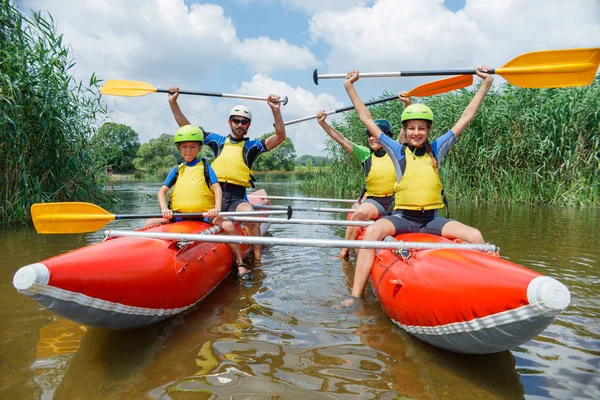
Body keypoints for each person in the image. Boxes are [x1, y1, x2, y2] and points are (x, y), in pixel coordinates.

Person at [341, 67, 494, 305]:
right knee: (371, 233)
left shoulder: (438, 148)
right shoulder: (396, 150)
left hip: (432, 219)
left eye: (421, 128)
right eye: (411, 128)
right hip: (402, 217)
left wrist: (485, 83)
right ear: (405, 130)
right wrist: (350, 86)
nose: (416, 132)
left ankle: (484, 290)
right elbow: (367, 120)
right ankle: (355, 296)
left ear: (428, 130)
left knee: (475, 236)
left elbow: (466, 117)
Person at [168, 88, 286, 261]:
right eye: (236, 120)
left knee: (250, 216)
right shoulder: (217, 141)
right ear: (229, 122)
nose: (239, 124)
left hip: (236, 199)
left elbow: (280, 136)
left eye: (244, 122)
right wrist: (173, 103)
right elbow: (188, 129)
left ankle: (258, 260)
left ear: (248, 125)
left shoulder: (252, 146)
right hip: (212, 196)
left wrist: (275, 110)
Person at [145, 125, 251, 280]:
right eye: (185, 147)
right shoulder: (177, 169)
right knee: (150, 222)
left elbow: (217, 188)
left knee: (228, 225)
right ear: (179, 148)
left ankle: (240, 263)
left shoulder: (206, 167)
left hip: (205, 215)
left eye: (193, 147)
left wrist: (216, 208)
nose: (188, 151)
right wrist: (164, 209)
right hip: (179, 215)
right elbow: (162, 191)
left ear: (199, 148)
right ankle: (152, 258)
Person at [316, 99, 409, 258]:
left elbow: (406, 130)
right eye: (369, 135)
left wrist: (407, 104)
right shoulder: (365, 154)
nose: (371, 138)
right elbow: (342, 139)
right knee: (358, 215)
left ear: (386, 136)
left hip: (399, 201)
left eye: (375, 135)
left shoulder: (397, 150)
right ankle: (344, 252)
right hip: (376, 201)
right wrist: (323, 124)